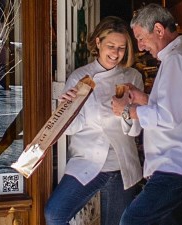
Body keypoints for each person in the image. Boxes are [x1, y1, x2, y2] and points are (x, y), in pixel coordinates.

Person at [44, 16, 144, 225]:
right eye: (111, 46)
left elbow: (135, 131)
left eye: (122, 48)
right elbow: (71, 129)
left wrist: (125, 110)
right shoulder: (80, 77)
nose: (116, 53)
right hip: (87, 161)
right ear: (98, 43)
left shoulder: (132, 77)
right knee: (54, 214)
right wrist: (66, 108)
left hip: (120, 166)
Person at [112, 4, 182, 225]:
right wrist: (144, 99)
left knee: (131, 221)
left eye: (141, 38)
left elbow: (169, 117)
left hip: (174, 165)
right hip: (177, 165)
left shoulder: (176, 60)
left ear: (159, 30)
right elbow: (180, 110)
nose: (140, 47)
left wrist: (128, 111)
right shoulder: (179, 56)